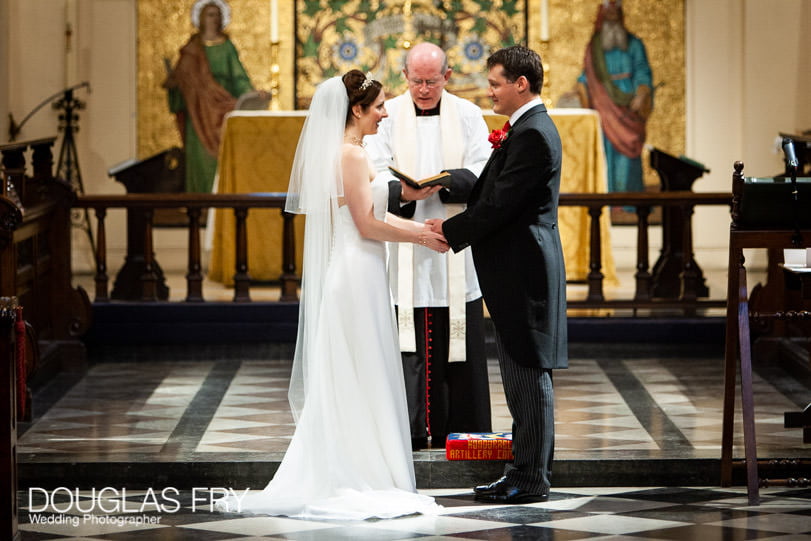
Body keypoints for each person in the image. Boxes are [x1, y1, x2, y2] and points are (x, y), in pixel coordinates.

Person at [215, 70, 446, 519]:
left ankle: (367, 465)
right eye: (378, 106)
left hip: (362, 268)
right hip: (355, 272)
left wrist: (421, 230)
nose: (384, 112)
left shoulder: (353, 151)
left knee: (364, 368)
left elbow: (371, 217)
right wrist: (423, 234)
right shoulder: (350, 156)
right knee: (360, 367)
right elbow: (367, 223)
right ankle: (358, 470)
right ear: (356, 110)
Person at [428, 46, 568, 504]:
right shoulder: (526, 128)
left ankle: (530, 478)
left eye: (495, 83)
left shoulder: (531, 134)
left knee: (527, 374)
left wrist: (449, 230)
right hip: (517, 266)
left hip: (522, 269)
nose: (489, 91)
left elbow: (501, 204)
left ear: (520, 84)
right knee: (520, 373)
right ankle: (524, 470)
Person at [365, 42, 492, 450]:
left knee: (461, 344)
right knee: (407, 339)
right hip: (404, 242)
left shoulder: (469, 115)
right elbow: (373, 168)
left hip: (453, 240)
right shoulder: (387, 115)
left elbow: (483, 166)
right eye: (416, 80)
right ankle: (412, 432)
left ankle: (464, 434)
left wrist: (450, 180)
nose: (423, 89)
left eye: (432, 81)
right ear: (405, 76)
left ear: (447, 77)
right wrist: (404, 191)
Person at [163, 0, 264, 193]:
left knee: (222, 158)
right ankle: (198, 207)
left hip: (222, 108)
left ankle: (221, 208)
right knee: (201, 160)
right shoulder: (192, 49)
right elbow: (181, 80)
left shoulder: (227, 47)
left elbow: (239, 77)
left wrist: (252, 93)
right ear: (201, 18)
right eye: (210, 14)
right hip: (198, 114)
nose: (214, 19)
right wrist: (174, 86)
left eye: (217, 14)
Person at [573, 0, 653, 193]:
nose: (612, 19)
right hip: (603, 107)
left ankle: (629, 204)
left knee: (627, 156)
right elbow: (586, 76)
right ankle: (608, 204)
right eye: (608, 15)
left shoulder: (634, 44)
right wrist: (579, 88)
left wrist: (641, 94)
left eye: (615, 15)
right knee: (605, 154)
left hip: (628, 106)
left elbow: (643, 71)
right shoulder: (595, 48)